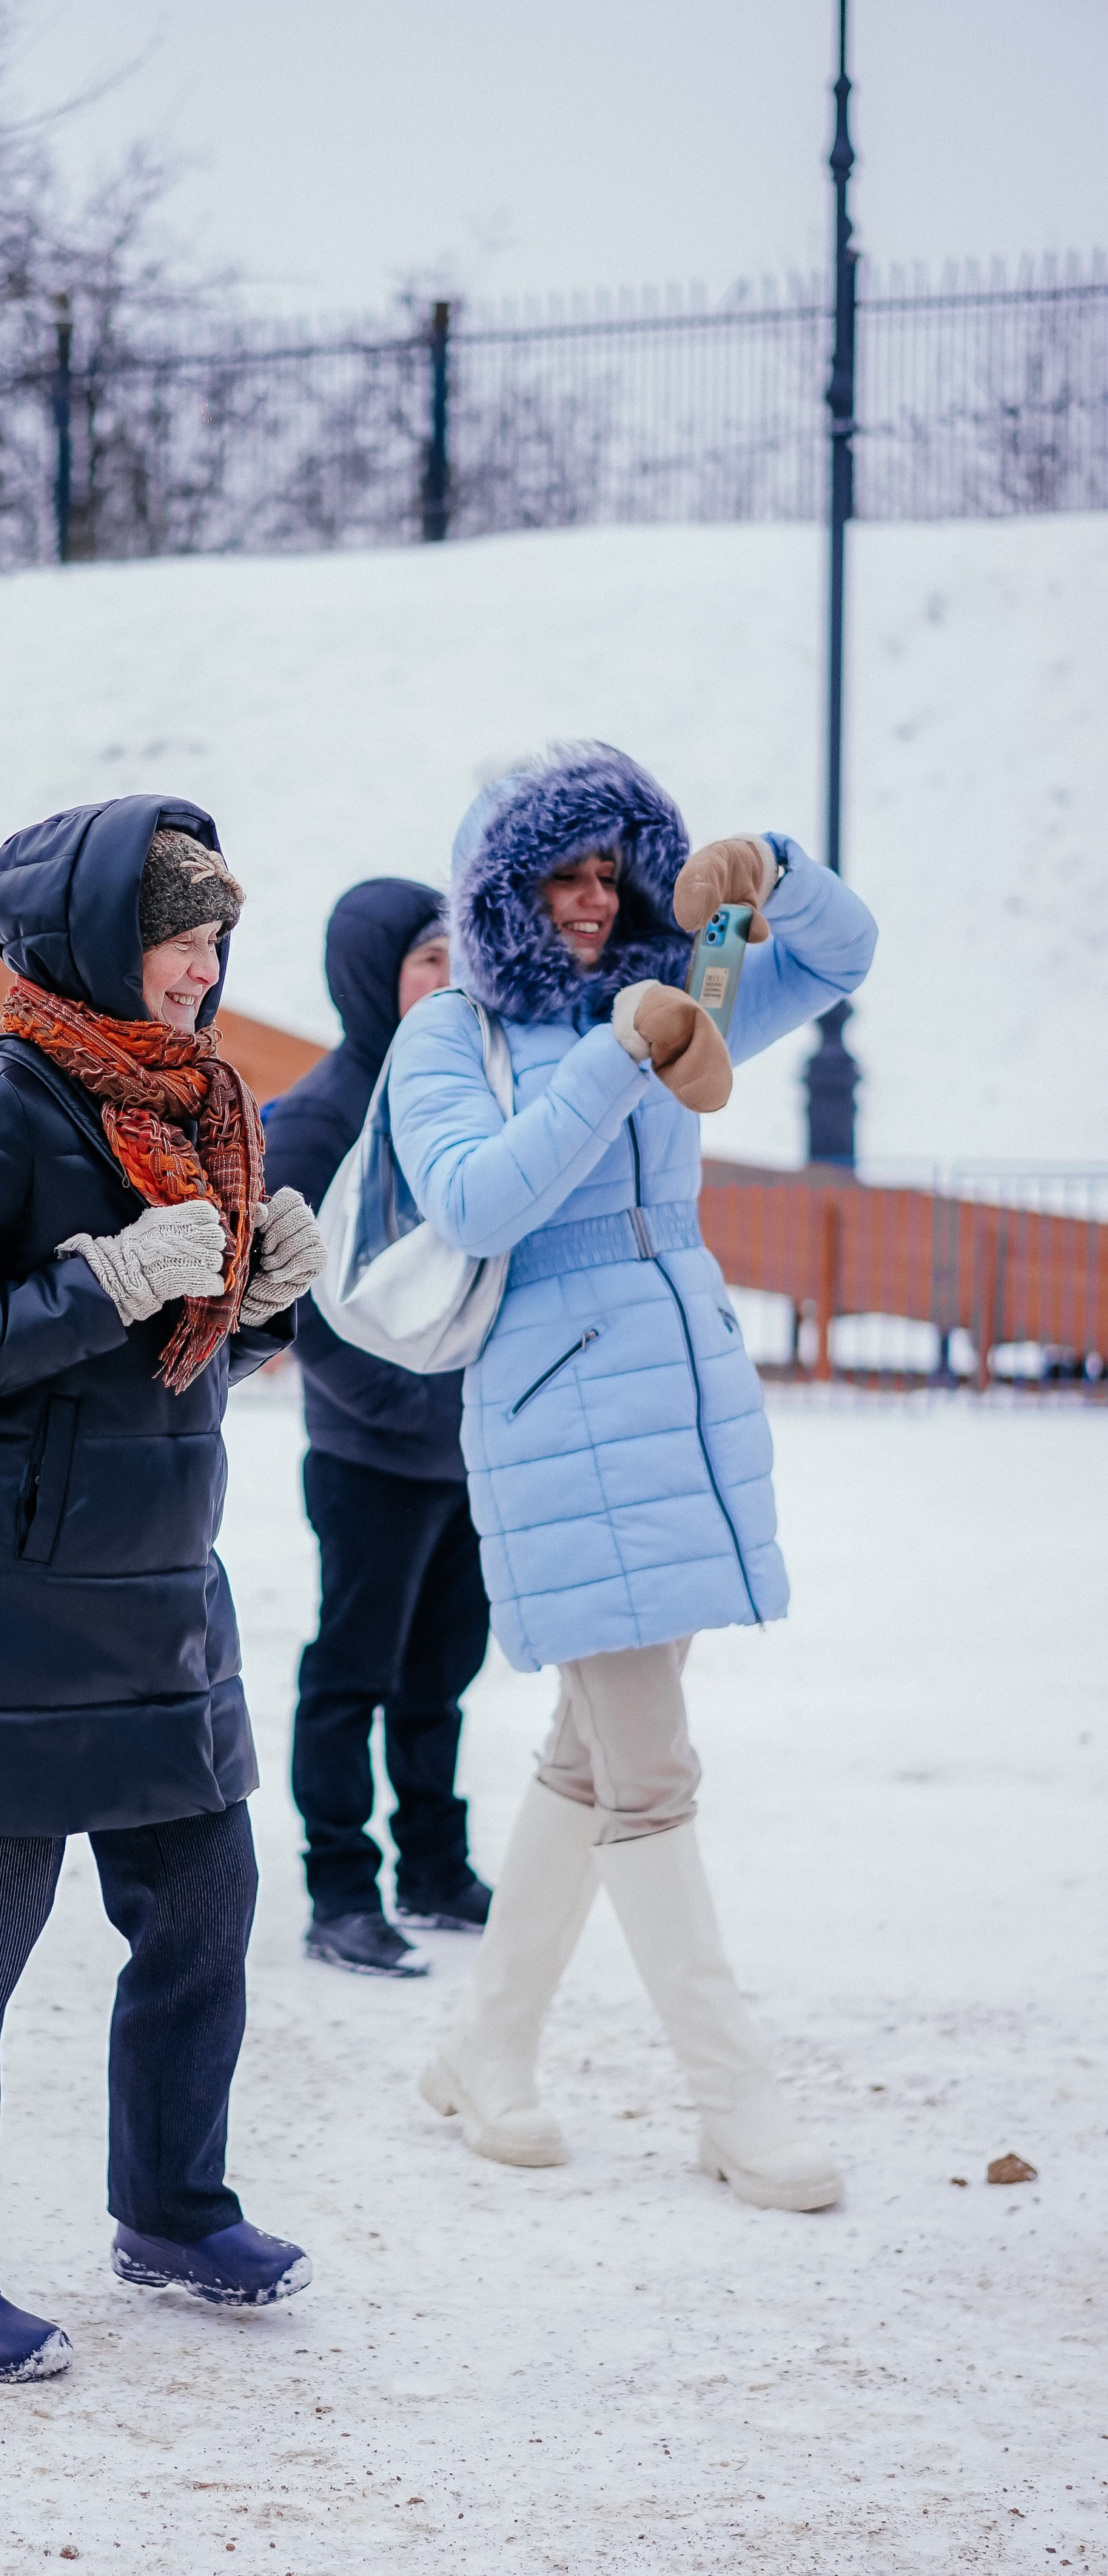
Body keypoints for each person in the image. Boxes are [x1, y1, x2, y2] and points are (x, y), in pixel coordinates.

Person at [0, 799, 329, 2381]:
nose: (199, 975)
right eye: (176, 943)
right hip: (3, 1603)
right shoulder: (0, 1113)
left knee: (204, 1903)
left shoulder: (189, 1107)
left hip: (155, 1592)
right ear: (100, 946)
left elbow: (157, 1368)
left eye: (209, 947)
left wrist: (252, 1316)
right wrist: (103, 1278)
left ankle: (174, 2209)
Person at [386, 743, 876, 2213]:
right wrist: (613, 1051)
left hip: (672, 1395)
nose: (593, 900)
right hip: (553, 1410)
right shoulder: (450, 1031)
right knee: (649, 1770)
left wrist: (771, 872)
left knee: (589, 1755)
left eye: (613, 869)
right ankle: (737, 2108)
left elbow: (843, 958)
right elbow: (473, 1198)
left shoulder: (683, 993)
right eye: (565, 873)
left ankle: (480, 2047)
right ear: (505, 889)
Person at [263, 879, 494, 1978]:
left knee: (441, 1673)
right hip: (372, 1456)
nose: (452, 983)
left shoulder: (457, 1094)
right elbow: (291, 1301)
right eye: (428, 964)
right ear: (372, 976)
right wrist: (408, 1411)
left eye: (459, 961)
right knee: (351, 1673)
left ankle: (435, 1870)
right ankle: (341, 1891)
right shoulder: (320, 1115)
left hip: (465, 1451)